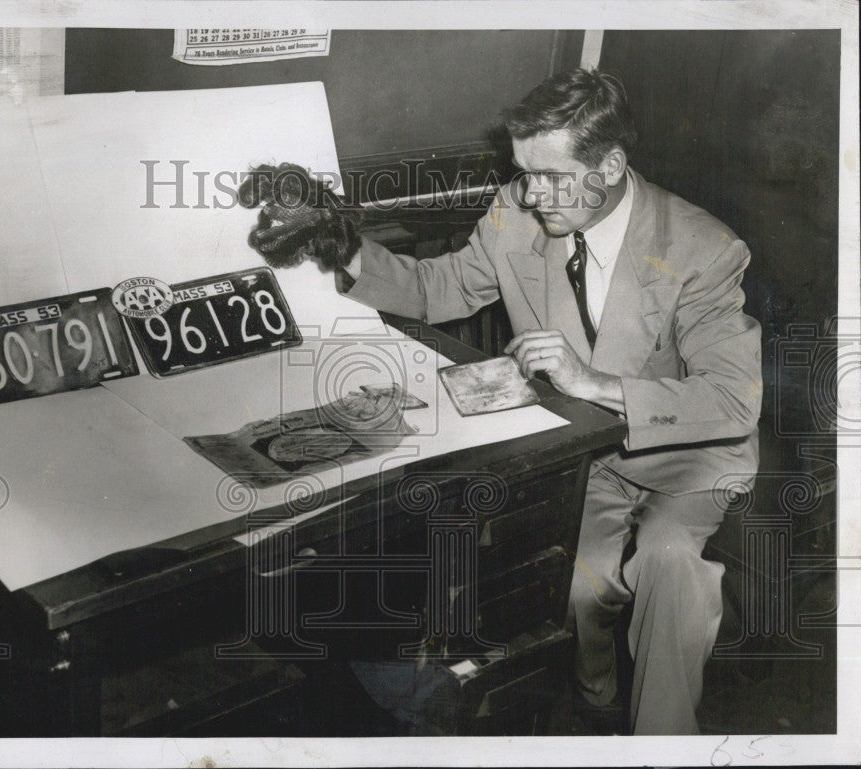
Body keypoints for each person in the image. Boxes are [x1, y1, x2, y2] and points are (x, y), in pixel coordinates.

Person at [241, 68, 762, 735]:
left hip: (685, 454)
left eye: (550, 176)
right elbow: (441, 288)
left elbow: (731, 398)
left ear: (610, 164)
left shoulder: (701, 247)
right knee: (574, 590)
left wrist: (593, 383)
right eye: (522, 173)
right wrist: (344, 248)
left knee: (668, 564)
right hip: (587, 455)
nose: (532, 194)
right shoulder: (518, 209)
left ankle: (665, 740)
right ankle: (596, 691)